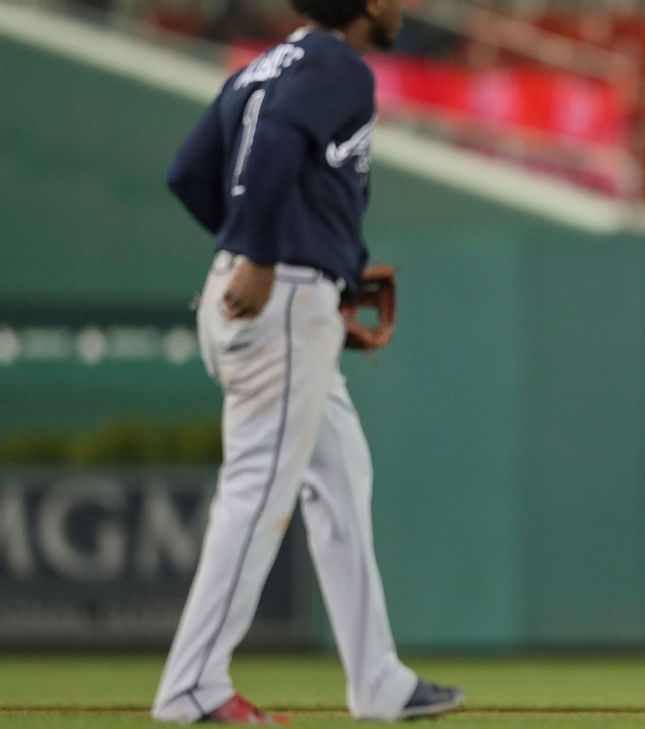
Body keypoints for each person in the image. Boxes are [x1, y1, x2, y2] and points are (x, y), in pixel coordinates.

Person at [152, 0, 462, 722]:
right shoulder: (339, 67)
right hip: (277, 294)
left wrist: (306, 257)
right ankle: (192, 687)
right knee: (258, 490)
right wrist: (267, 253)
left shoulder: (261, 66)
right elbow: (281, 141)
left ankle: (377, 681)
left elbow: (186, 172)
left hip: (264, 284)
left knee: (341, 473)